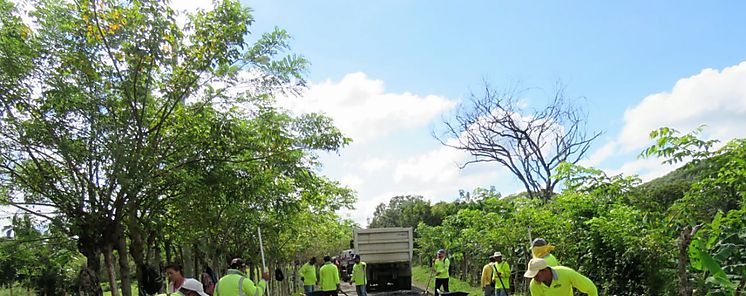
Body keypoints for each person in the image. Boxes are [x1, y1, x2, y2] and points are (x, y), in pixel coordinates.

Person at [523, 258, 597, 296]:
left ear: (544, 270)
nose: (534, 278)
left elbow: (590, 287)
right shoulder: (534, 284)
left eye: (536, 275)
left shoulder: (566, 273)